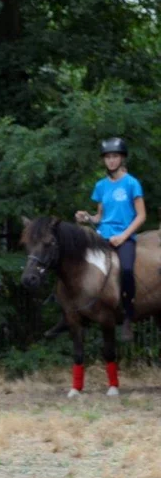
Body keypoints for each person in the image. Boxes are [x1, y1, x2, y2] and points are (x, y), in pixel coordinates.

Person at [75, 137, 147, 342]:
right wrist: (87, 218)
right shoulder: (101, 186)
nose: (111, 161)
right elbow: (100, 217)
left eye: (115, 156)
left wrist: (124, 236)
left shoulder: (132, 183)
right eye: (108, 157)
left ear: (122, 159)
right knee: (78, 264)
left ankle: (128, 315)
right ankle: (73, 309)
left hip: (124, 237)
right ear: (104, 161)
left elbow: (141, 216)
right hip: (102, 237)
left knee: (125, 269)